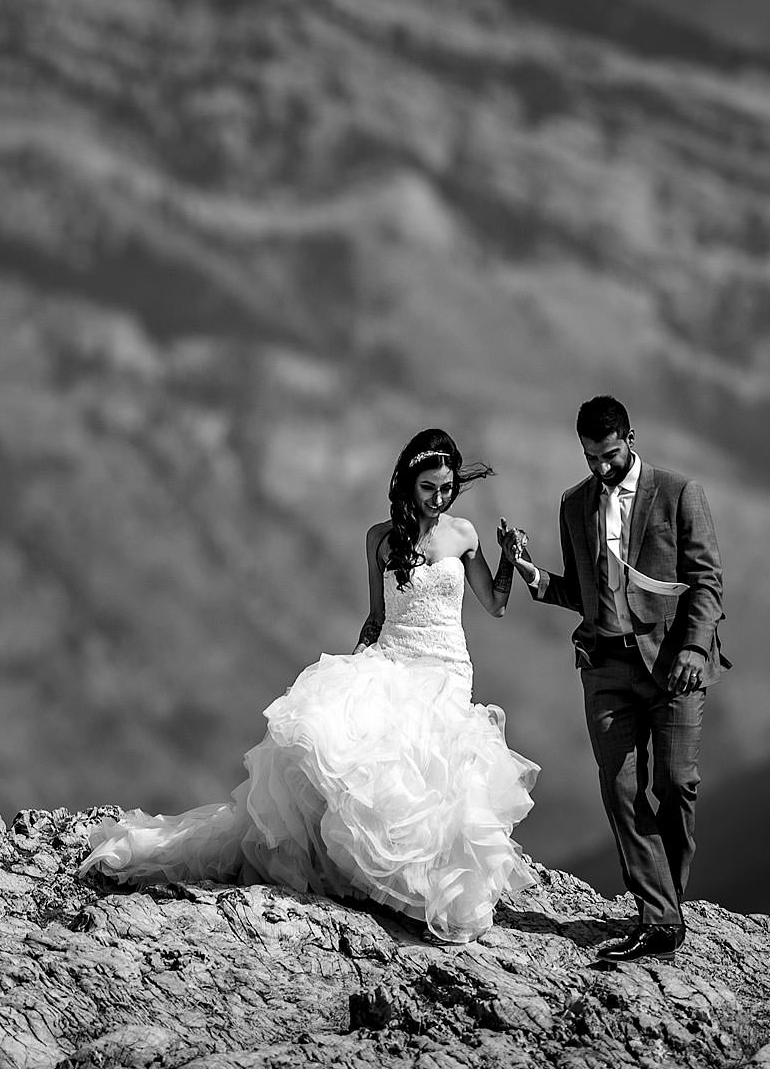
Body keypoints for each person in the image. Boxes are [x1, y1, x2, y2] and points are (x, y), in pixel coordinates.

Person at [82, 429, 538, 943]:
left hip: (449, 668)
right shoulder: (381, 538)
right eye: (429, 488)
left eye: (447, 488)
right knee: (339, 749)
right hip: (394, 655)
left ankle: (422, 887)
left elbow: (495, 605)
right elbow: (376, 615)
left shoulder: (464, 534)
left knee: (435, 775)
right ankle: (360, 877)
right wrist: (354, 671)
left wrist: (508, 558)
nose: (439, 498)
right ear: (409, 485)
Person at [501, 395, 723, 965]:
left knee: (676, 784)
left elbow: (706, 581)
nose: (599, 467)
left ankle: (664, 908)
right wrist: (534, 576)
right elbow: (581, 592)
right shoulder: (574, 505)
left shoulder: (678, 493)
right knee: (621, 786)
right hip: (605, 666)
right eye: (589, 457)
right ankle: (660, 915)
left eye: (608, 454)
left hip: (674, 663)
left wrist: (695, 647)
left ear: (631, 437)